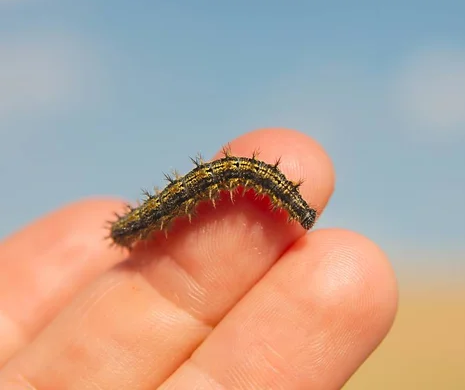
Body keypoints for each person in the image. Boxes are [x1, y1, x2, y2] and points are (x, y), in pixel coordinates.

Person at [0, 128, 398, 389]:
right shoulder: (234, 176)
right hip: (146, 220)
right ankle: (133, 225)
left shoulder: (245, 178)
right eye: (294, 206)